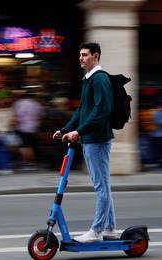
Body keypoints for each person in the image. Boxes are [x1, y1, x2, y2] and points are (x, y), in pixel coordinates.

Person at [53, 42, 117, 242]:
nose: (80, 58)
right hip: (91, 139)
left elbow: (102, 111)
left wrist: (78, 132)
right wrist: (65, 129)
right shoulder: (89, 80)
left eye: (84, 55)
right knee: (104, 185)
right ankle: (109, 228)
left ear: (95, 56)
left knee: (101, 187)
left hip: (97, 140)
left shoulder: (100, 79)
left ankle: (97, 231)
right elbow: (82, 111)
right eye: (80, 55)